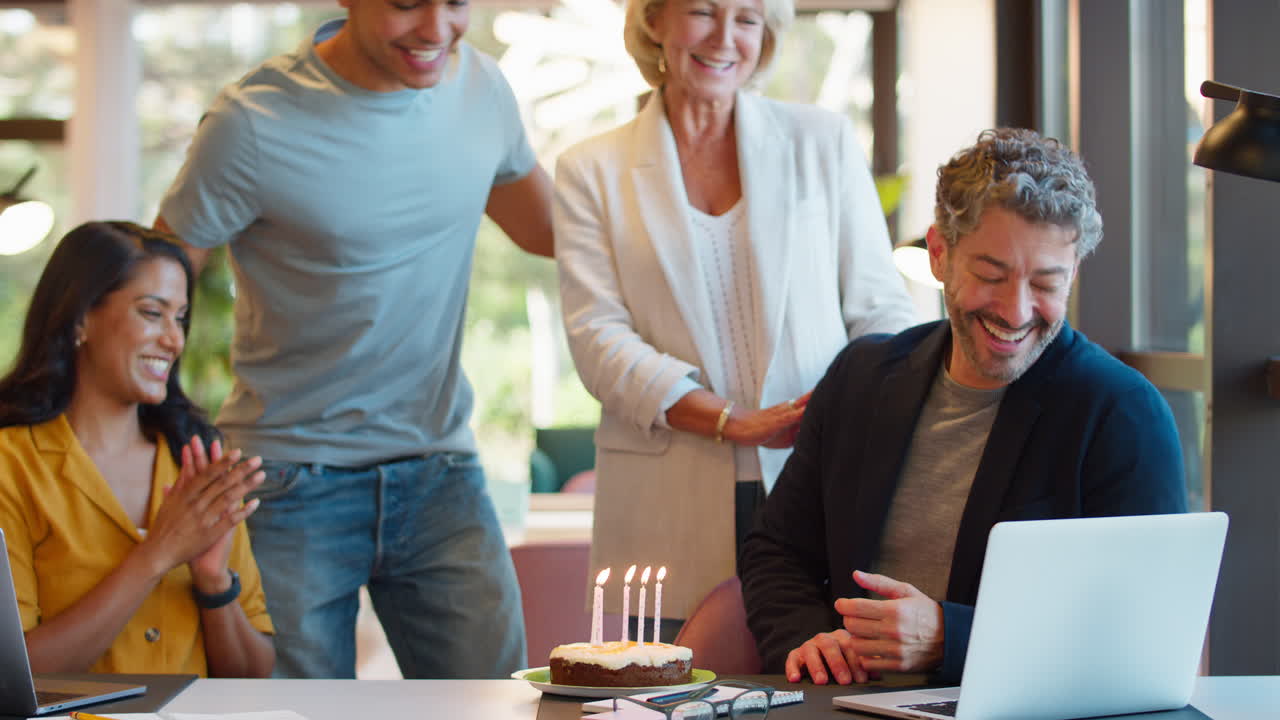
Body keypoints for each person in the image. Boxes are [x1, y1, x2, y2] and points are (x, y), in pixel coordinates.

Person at [153, 0, 555, 679]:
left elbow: (556, 233)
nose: (435, 29)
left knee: (495, 704)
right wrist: (145, 425)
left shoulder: (482, 90)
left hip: (440, 471)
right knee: (296, 715)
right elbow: (158, 278)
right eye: (405, 4)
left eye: (456, 3)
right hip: (285, 479)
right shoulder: (252, 120)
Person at [739, 128, 1189, 686]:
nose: (1017, 310)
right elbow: (777, 551)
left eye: (1046, 282)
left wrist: (950, 640)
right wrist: (808, 640)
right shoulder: (861, 377)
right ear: (938, 254)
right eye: (991, 275)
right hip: (845, 702)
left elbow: (1143, 629)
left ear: (1073, 273)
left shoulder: (1122, 413)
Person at [553, 0, 916, 635]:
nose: (726, 38)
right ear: (655, 22)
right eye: (703, 12)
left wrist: (839, 410)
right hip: (665, 491)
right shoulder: (589, 169)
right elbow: (597, 338)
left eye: (748, 19)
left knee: (818, 679)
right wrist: (733, 421)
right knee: (662, 682)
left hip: (815, 472)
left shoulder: (822, 142)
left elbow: (879, 306)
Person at [0, 221, 274, 677]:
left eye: (181, 318)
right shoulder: (12, 464)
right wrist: (157, 555)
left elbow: (252, 675)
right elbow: (14, 677)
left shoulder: (202, 458)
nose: (174, 340)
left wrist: (213, 583)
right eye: (152, 313)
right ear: (80, 318)